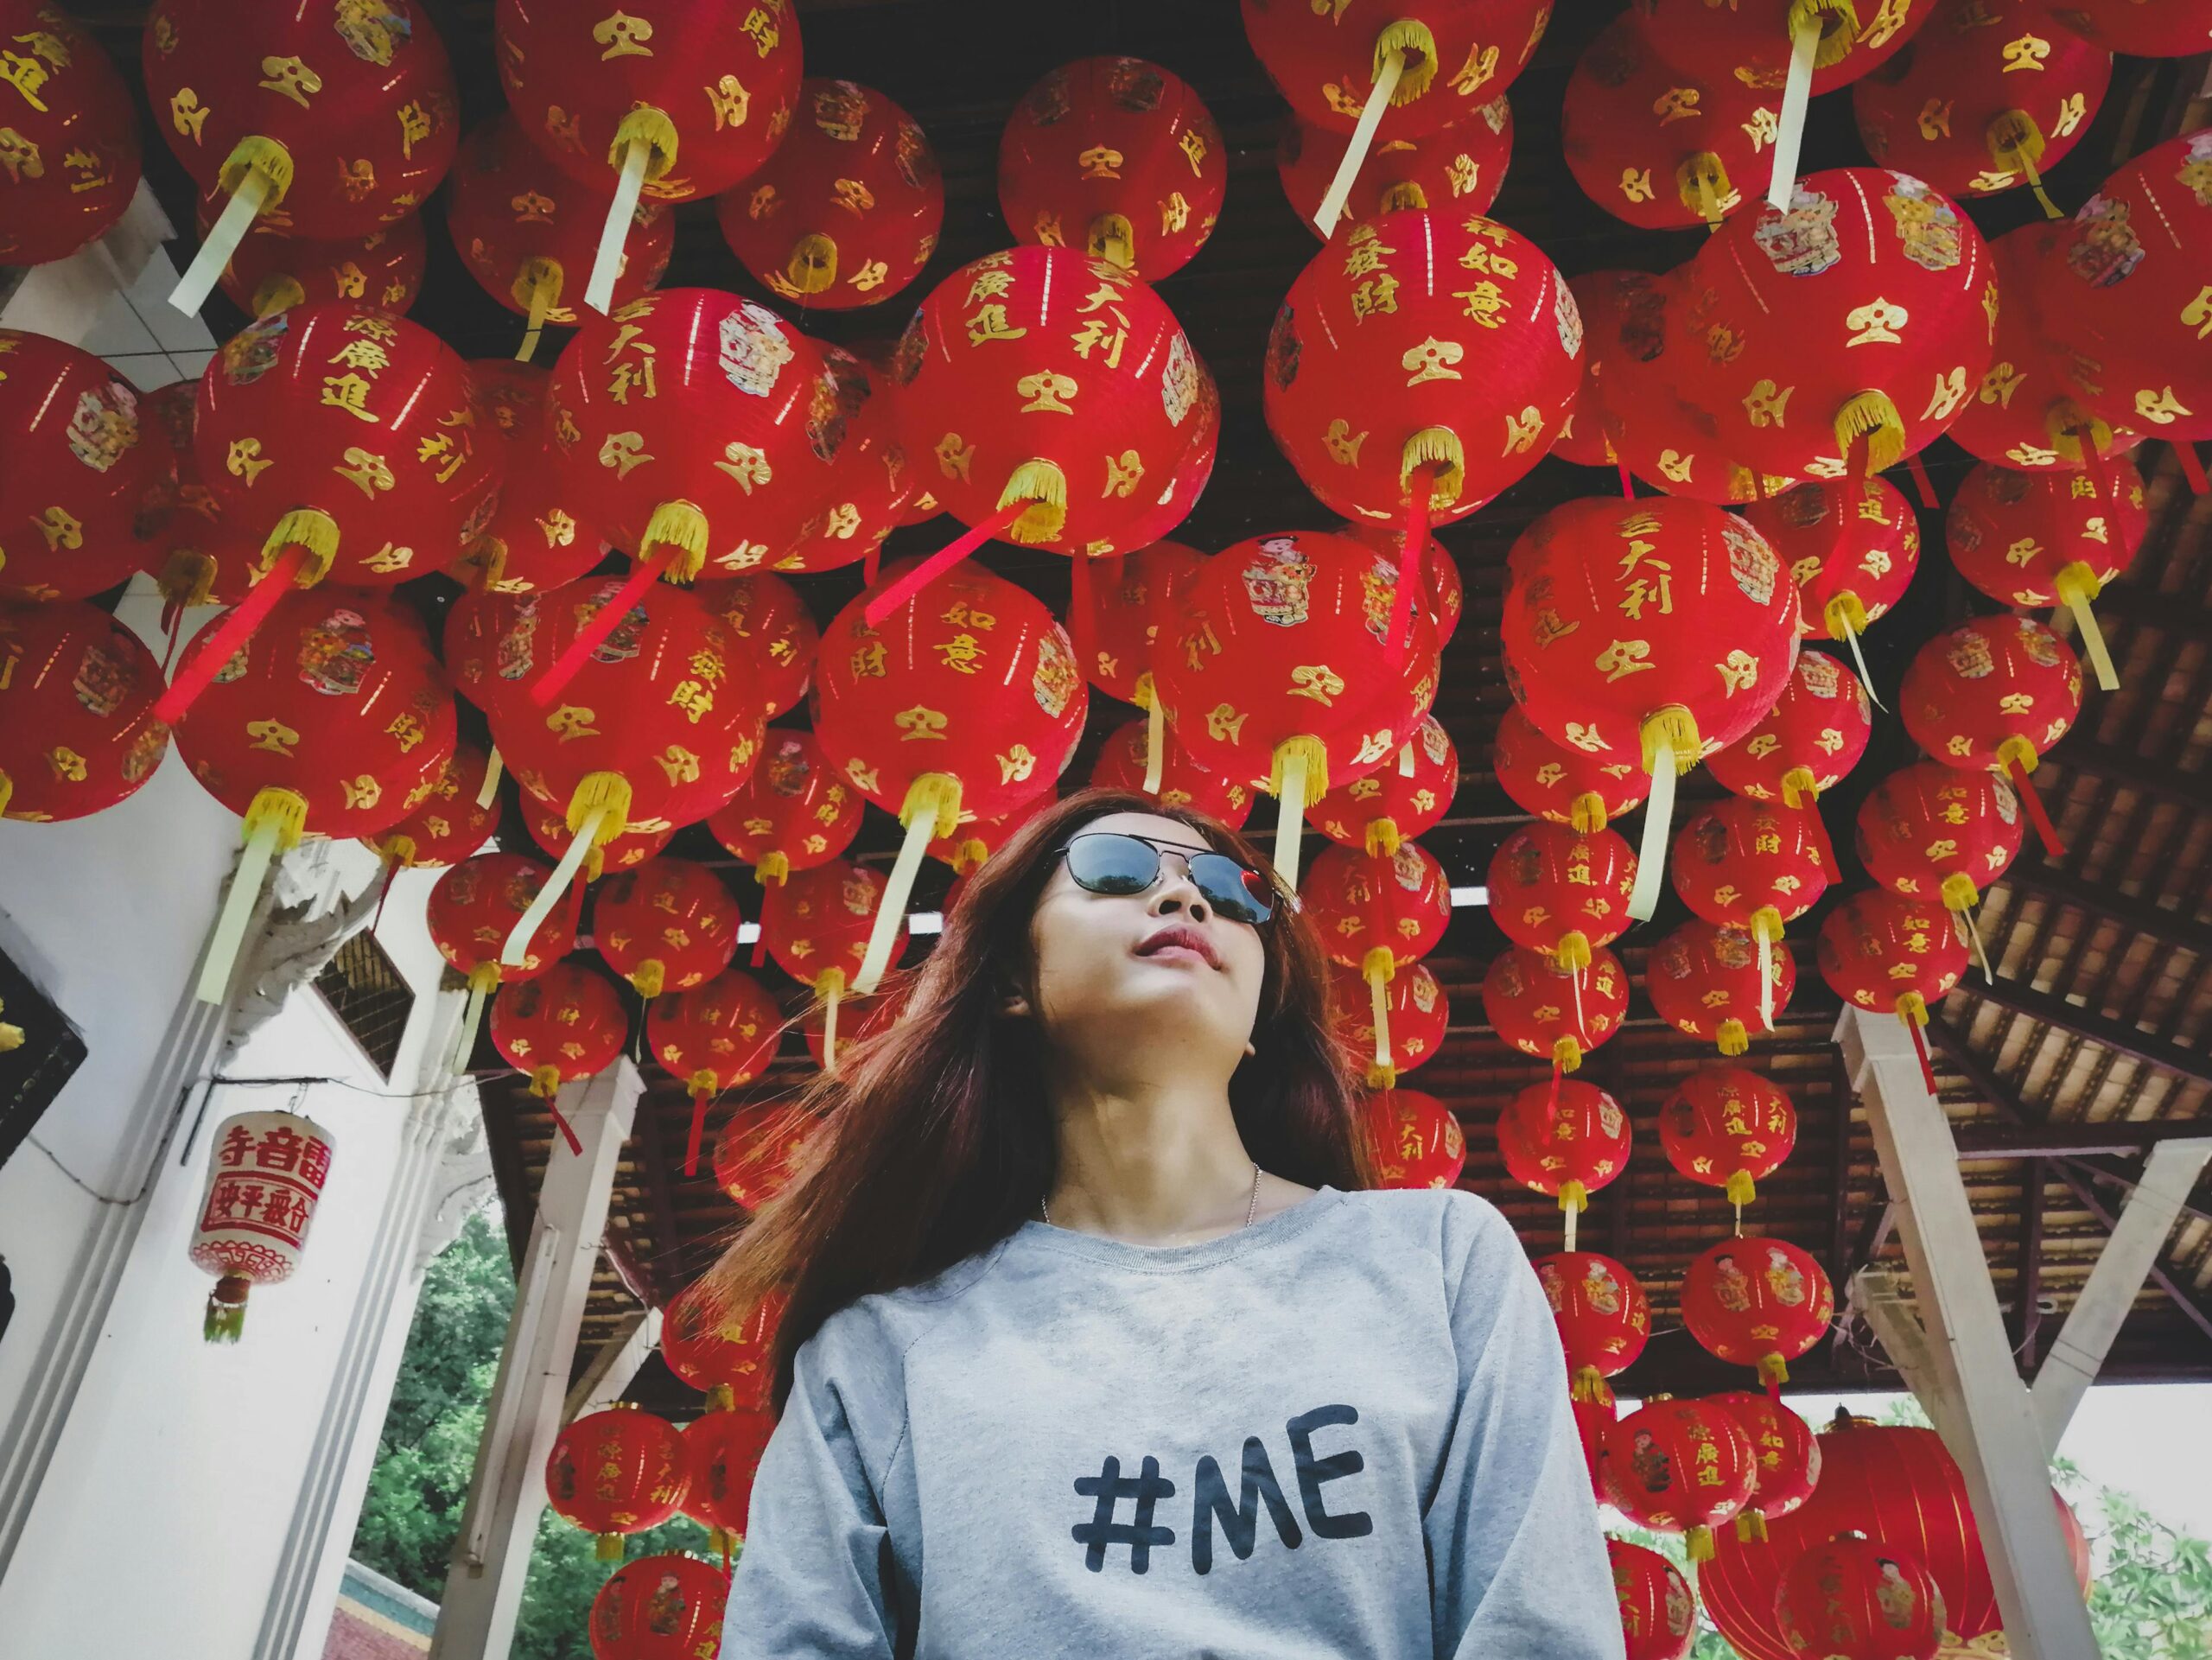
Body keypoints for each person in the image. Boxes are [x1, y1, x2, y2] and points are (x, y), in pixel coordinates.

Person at [710, 790, 1621, 1659]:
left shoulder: (1440, 1261)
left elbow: (1537, 1627)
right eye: (1112, 869)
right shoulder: (878, 1357)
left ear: (1261, 1012)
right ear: (1011, 982)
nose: (1186, 894)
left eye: (1232, 894)